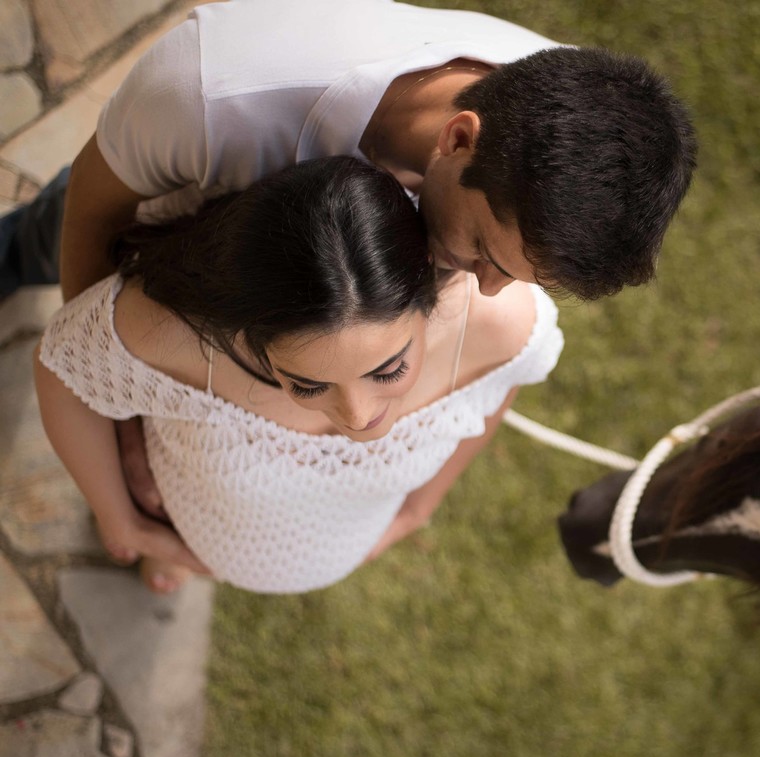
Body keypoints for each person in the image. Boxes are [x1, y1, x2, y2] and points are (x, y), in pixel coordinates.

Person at [3, 0, 696, 576]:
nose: (488, 291)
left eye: (517, 275)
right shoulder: (211, 96)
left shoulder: (578, 134)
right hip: (169, 205)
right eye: (485, 252)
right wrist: (124, 413)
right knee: (38, 238)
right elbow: (94, 217)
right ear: (459, 138)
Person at [34, 156, 563, 594]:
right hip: (189, 523)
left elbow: (500, 389)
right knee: (172, 555)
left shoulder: (503, 329)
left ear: (426, 288)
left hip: (339, 546)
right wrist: (121, 519)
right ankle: (173, 557)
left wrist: (419, 509)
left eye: (389, 369)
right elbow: (60, 370)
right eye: (307, 385)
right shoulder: (173, 332)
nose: (357, 416)